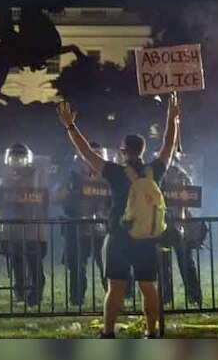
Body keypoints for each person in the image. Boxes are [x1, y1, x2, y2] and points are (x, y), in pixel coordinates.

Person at [58, 93, 180, 339]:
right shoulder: (155, 170)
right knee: (148, 287)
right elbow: (168, 144)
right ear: (143, 151)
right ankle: (152, 332)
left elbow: (86, 153)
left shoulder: (115, 172)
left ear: (123, 152)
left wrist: (70, 126)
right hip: (147, 238)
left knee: (115, 289)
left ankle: (108, 332)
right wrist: (172, 119)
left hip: (120, 237)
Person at [51, 144, 109, 307]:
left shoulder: (108, 179)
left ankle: (114, 297)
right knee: (76, 265)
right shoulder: (72, 177)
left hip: (101, 229)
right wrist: (68, 190)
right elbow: (54, 199)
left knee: (107, 265)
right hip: (76, 228)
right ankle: (77, 298)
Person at [0, 142, 50, 307]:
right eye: (14, 159)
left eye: (21, 159)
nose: (17, 162)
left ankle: (35, 294)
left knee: (34, 263)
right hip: (13, 228)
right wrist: (2, 229)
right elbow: (0, 206)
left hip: (33, 228)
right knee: (17, 261)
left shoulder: (37, 179)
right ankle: (20, 291)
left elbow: (44, 205)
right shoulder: (4, 181)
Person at [159, 154, 203, 307]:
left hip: (180, 222)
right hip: (162, 223)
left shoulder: (182, 175)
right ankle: (165, 297)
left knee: (186, 262)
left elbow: (191, 197)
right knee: (163, 263)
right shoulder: (157, 174)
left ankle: (194, 296)